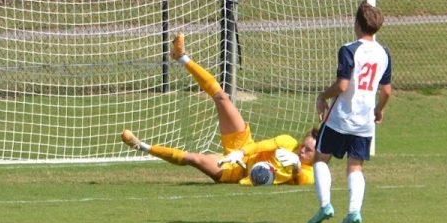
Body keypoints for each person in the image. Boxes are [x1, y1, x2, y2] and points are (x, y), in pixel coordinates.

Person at [121, 33, 317, 186]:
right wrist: (241, 151)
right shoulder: (288, 142)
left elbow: (302, 181)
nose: (302, 150)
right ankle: (181, 57)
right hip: (242, 148)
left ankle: (142, 146)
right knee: (222, 97)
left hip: (236, 170)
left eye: (308, 151)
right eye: (304, 145)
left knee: (194, 158)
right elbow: (259, 146)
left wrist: (297, 166)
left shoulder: (310, 173)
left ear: (318, 156)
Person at [307, 1, 393, 223]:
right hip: (364, 121)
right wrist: (379, 109)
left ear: (357, 23)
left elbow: (343, 86)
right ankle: (354, 212)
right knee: (355, 167)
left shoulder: (349, 49)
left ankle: (325, 205)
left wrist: (322, 96)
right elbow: (386, 91)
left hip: (341, 117)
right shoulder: (384, 53)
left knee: (321, 158)